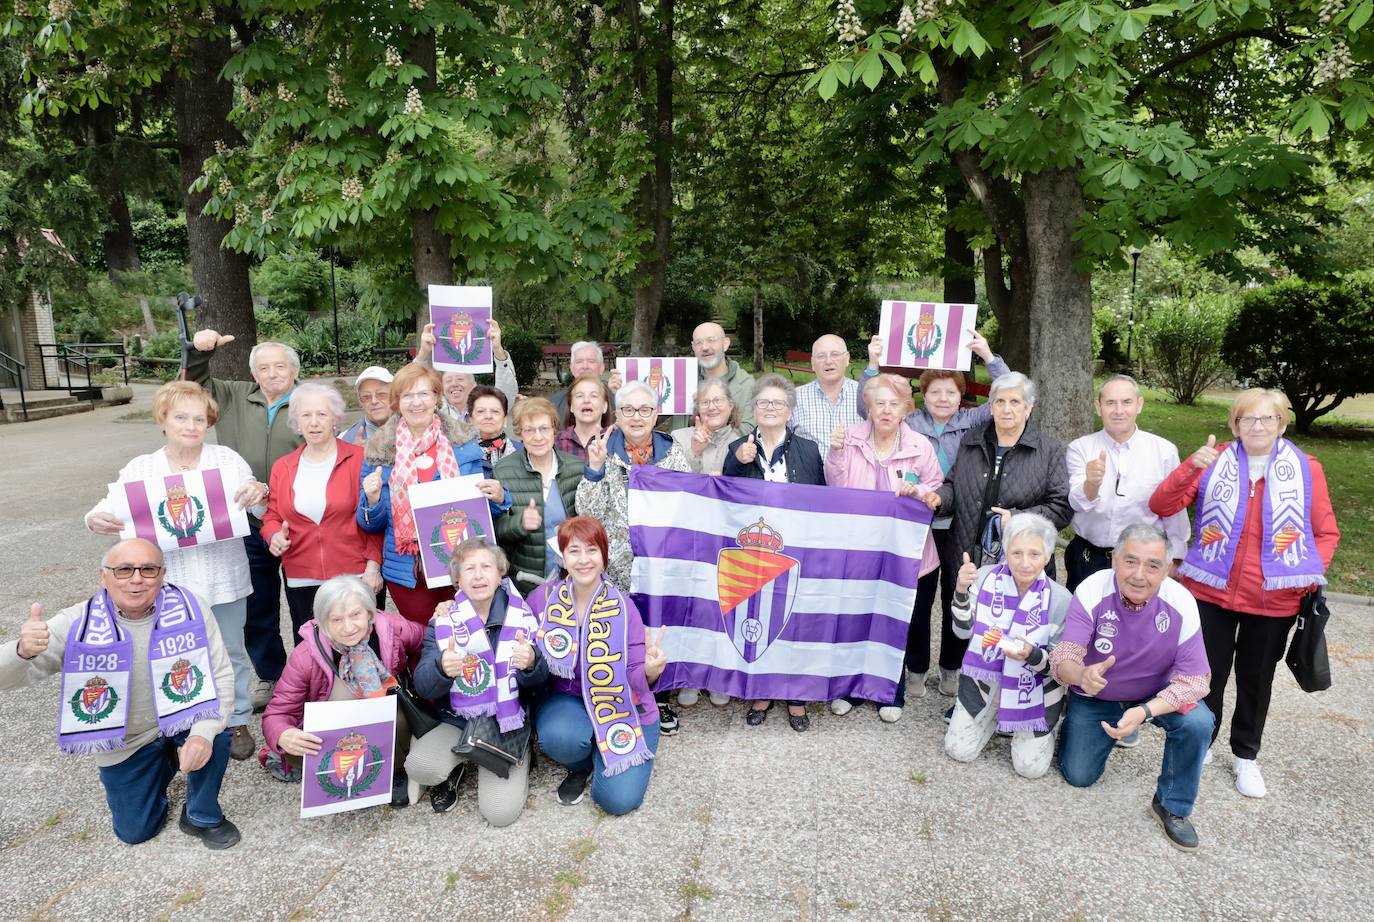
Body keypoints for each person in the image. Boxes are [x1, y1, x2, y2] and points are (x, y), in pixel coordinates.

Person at [1149, 388, 1339, 799]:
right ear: (1234, 425)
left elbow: (1326, 533)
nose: (1257, 427)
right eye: (1247, 419)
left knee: (1257, 680)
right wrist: (1189, 468)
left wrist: (1305, 574)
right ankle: (1204, 741)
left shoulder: (1306, 469)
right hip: (1210, 591)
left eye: (1267, 419)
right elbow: (1162, 504)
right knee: (1206, 674)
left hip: (1273, 599)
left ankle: (1246, 755)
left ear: (1282, 424)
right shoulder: (1211, 464)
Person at [0, 540, 240, 848]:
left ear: (162, 574)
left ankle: (201, 814)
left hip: (183, 716)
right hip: (127, 738)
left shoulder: (191, 608)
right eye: (124, 569)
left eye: (148, 569)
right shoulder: (77, 623)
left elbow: (220, 675)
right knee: (136, 831)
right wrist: (20, 652)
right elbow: (7, 680)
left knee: (217, 733)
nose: (137, 578)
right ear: (103, 576)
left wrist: (202, 734)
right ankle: (161, 762)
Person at [84, 380, 265, 761]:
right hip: (170, 585)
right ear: (163, 419)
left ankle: (235, 720)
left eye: (199, 418)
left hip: (224, 579)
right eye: (181, 417)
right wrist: (93, 518)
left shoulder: (227, 461)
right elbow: (108, 507)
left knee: (230, 652)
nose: (191, 425)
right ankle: (181, 722)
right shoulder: (142, 468)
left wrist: (259, 494)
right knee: (173, 655)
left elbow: (260, 509)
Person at [861, 328, 1009, 698]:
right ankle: (915, 668)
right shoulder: (910, 423)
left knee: (957, 595)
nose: (943, 399)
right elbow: (870, 406)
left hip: (960, 523)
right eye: (934, 392)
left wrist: (989, 357)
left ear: (961, 397)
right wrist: (873, 365)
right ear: (922, 396)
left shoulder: (972, 421)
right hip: (918, 523)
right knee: (919, 599)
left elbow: (1008, 394)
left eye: (951, 392)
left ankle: (951, 668)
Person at [1051, 524, 1214, 851]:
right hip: (1096, 693)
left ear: (1167, 569)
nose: (1139, 574)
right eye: (1130, 561)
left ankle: (1172, 806)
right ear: (1113, 560)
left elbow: (1197, 681)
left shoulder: (1181, 601)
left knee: (1198, 722)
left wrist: (1144, 711)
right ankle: (1082, 729)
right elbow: (1064, 658)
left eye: (1153, 565)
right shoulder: (1091, 589)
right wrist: (1081, 675)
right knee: (1078, 775)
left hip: (1152, 695)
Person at [185, 330, 303, 711]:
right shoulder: (234, 396)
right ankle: (273, 676)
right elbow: (193, 385)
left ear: (294, 371)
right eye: (263, 368)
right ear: (254, 374)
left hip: (295, 522)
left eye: (279, 366)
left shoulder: (307, 403)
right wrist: (199, 353)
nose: (271, 374)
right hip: (245, 523)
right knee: (257, 607)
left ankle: (310, 675)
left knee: (306, 605)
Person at [575, 381, 692, 734]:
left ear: (657, 415)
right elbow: (587, 514)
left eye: (645, 410)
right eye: (628, 410)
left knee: (659, 631)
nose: (636, 417)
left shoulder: (674, 455)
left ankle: (660, 698)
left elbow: (686, 510)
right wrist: (594, 471)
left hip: (660, 563)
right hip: (618, 565)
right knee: (625, 632)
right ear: (617, 413)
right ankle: (623, 695)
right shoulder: (603, 452)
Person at [825, 372, 942, 722]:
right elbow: (836, 485)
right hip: (860, 549)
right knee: (856, 619)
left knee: (897, 621)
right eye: (879, 403)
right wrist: (834, 452)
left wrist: (917, 491)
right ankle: (851, 688)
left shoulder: (920, 445)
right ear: (869, 407)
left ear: (907, 408)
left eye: (894, 404)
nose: (886, 410)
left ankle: (892, 692)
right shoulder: (850, 437)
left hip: (908, 553)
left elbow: (936, 487)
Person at [358, 363, 511, 625]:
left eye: (424, 394)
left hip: (461, 561)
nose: (416, 402)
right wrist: (371, 501)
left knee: (469, 632)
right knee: (420, 639)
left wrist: (499, 497)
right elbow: (370, 525)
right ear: (397, 402)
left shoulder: (464, 443)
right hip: (408, 568)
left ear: (436, 398)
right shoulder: (378, 452)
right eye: (407, 396)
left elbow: (483, 506)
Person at [531, 517, 666, 813]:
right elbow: (505, 613)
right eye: (574, 551)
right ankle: (581, 763)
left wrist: (650, 671)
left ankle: (601, 750)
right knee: (558, 737)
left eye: (591, 550)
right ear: (562, 558)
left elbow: (633, 674)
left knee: (617, 800)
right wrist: (453, 604)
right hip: (569, 701)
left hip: (622, 705)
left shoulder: (624, 607)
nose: (583, 560)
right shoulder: (542, 600)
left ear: (604, 556)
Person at [406, 540, 547, 824]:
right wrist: (442, 669)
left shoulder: (522, 617)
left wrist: (531, 664)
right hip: (457, 718)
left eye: (486, 567)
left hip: (506, 722)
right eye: (469, 569)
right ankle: (459, 763)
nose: (479, 576)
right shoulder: (445, 620)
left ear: (500, 575)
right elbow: (423, 685)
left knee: (499, 814)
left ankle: (518, 754)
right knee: (421, 767)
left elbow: (542, 683)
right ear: (457, 579)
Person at [720, 374, 826, 729]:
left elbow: (821, 502)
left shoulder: (808, 450)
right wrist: (737, 462)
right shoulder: (738, 447)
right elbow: (724, 497)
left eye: (777, 403)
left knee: (794, 619)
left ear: (789, 411)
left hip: (794, 551)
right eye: (763, 402)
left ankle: (796, 696)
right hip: (753, 552)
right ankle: (762, 690)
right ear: (753, 408)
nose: (770, 408)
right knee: (761, 619)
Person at [260, 575, 422, 805]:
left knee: (397, 716)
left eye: (355, 615)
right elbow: (277, 712)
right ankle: (339, 770)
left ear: (369, 612)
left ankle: (394, 770)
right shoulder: (305, 655)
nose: (348, 627)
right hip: (336, 728)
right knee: (298, 746)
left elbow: (427, 640)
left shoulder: (392, 629)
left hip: (384, 716)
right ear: (323, 621)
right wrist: (282, 734)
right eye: (336, 619)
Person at [943, 513, 1070, 778]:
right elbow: (961, 631)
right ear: (1006, 553)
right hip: (985, 677)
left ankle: (1045, 724)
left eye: (1034, 554)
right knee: (958, 750)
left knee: (1030, 769)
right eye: (1017, 553)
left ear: (1048, 557)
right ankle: (991, 714)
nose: (1025, 563)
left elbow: (1058, 667)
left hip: (1035, 686)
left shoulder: (1060, 599)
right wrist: (961, 591)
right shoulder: (985, 578)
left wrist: (1031, 654)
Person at [261, 383, 383, 638]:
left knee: (363, 646)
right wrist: (273, 535)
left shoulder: (360, 459)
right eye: (306, 415)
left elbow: (375, 514)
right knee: (312, 651)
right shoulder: (283, 467)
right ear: (297, 422)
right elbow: (272, 515)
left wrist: (373, 566)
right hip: (301, 575)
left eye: (322, 414)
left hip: (355, 573)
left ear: (335, 420)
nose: (314, 422)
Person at [933, 371, 1071, 580]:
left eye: (1015, 402)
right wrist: (939, 498)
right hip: (965, 560)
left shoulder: (1049, 450)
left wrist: (1018, 519)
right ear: (991, 407)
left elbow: (1061, 508)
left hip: (1021, 567)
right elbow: (955, 485)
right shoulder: (971, 441)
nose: (1006, 409)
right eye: (1000, 402)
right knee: (959, 612)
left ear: (1028, 407)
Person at [1066, 375, 1190, 591]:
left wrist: (1176, 557)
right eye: (1110, 403)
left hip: (1142, 559)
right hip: (1089, 555)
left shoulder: (1164, 452)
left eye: (1126, 402)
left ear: (1139, 405)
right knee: (1082, 619)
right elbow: (1077, 503)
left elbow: (1173, 507)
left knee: (1138, 621)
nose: (1118, 410)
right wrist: (1092, 483)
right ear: (1098, 407)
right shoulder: (1080, 448)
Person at [494, 397, 585, 594]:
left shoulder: (576, 468)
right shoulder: (503, 471)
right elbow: (495, 531)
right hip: (525, 581)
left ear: (554, 429)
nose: (538, 437)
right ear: (520, 434)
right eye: (529, 430)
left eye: (544, 428)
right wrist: (520, 524)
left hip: (572, 578)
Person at [414, 318, 520, 419]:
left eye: (460, 379)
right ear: (442, 389)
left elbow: (507, 394)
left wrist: (498, 350)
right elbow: (407, 389)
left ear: (473, 386)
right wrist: (423, 354)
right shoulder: (432, 412)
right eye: (448, 381)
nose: (454, 384)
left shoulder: (487, 411)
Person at [666, 322, 755, 430]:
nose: (704, 347)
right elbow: (655, 416)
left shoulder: (747, 384)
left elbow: (748, 430)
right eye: (698, 343)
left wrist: (712, 428)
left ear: (725, 344)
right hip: (680, 446)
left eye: (711, 340)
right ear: (693, 347)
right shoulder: (680, 378)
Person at [790, 334, 862, 444]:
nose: (828, 361)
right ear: (813, 363)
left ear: (847, 359)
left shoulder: (864, 395)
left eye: (835, 354)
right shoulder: (795, 398)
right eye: (821, 356)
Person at [670, 378, 740, 476]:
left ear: (730, 405)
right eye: (705, 402)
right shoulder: (678, 438)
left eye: (718, 400)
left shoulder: (739, 445)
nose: (711, 407)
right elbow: (671, 479)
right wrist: (694, 452)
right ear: (698, 409)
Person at [548, 341, 622, 423]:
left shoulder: (617, 401)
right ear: (572, 368)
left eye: (591, 361)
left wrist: (616, 395)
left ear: (602, 368)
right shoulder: (554, 403)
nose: (585, 366)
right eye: (579, 362)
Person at [555, 373, 613, 462]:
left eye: (594, 396)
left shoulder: (617, 440)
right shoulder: (556, 442)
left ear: (605, 406)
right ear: (571, 406)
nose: (586, 400)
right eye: (579, 396)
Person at [340, 366, 395, 447]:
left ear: (395, 397)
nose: (374, 401)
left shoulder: (414, 433)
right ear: (360, 402)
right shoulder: (344, 441)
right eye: (366, 397)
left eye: (381, 394)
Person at [468, 385, 521, 468]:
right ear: (471, 419)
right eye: (480, 411)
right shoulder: (458, 455)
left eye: (495, 411)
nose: (488, 416)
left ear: (505, 419)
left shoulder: (524, 453)